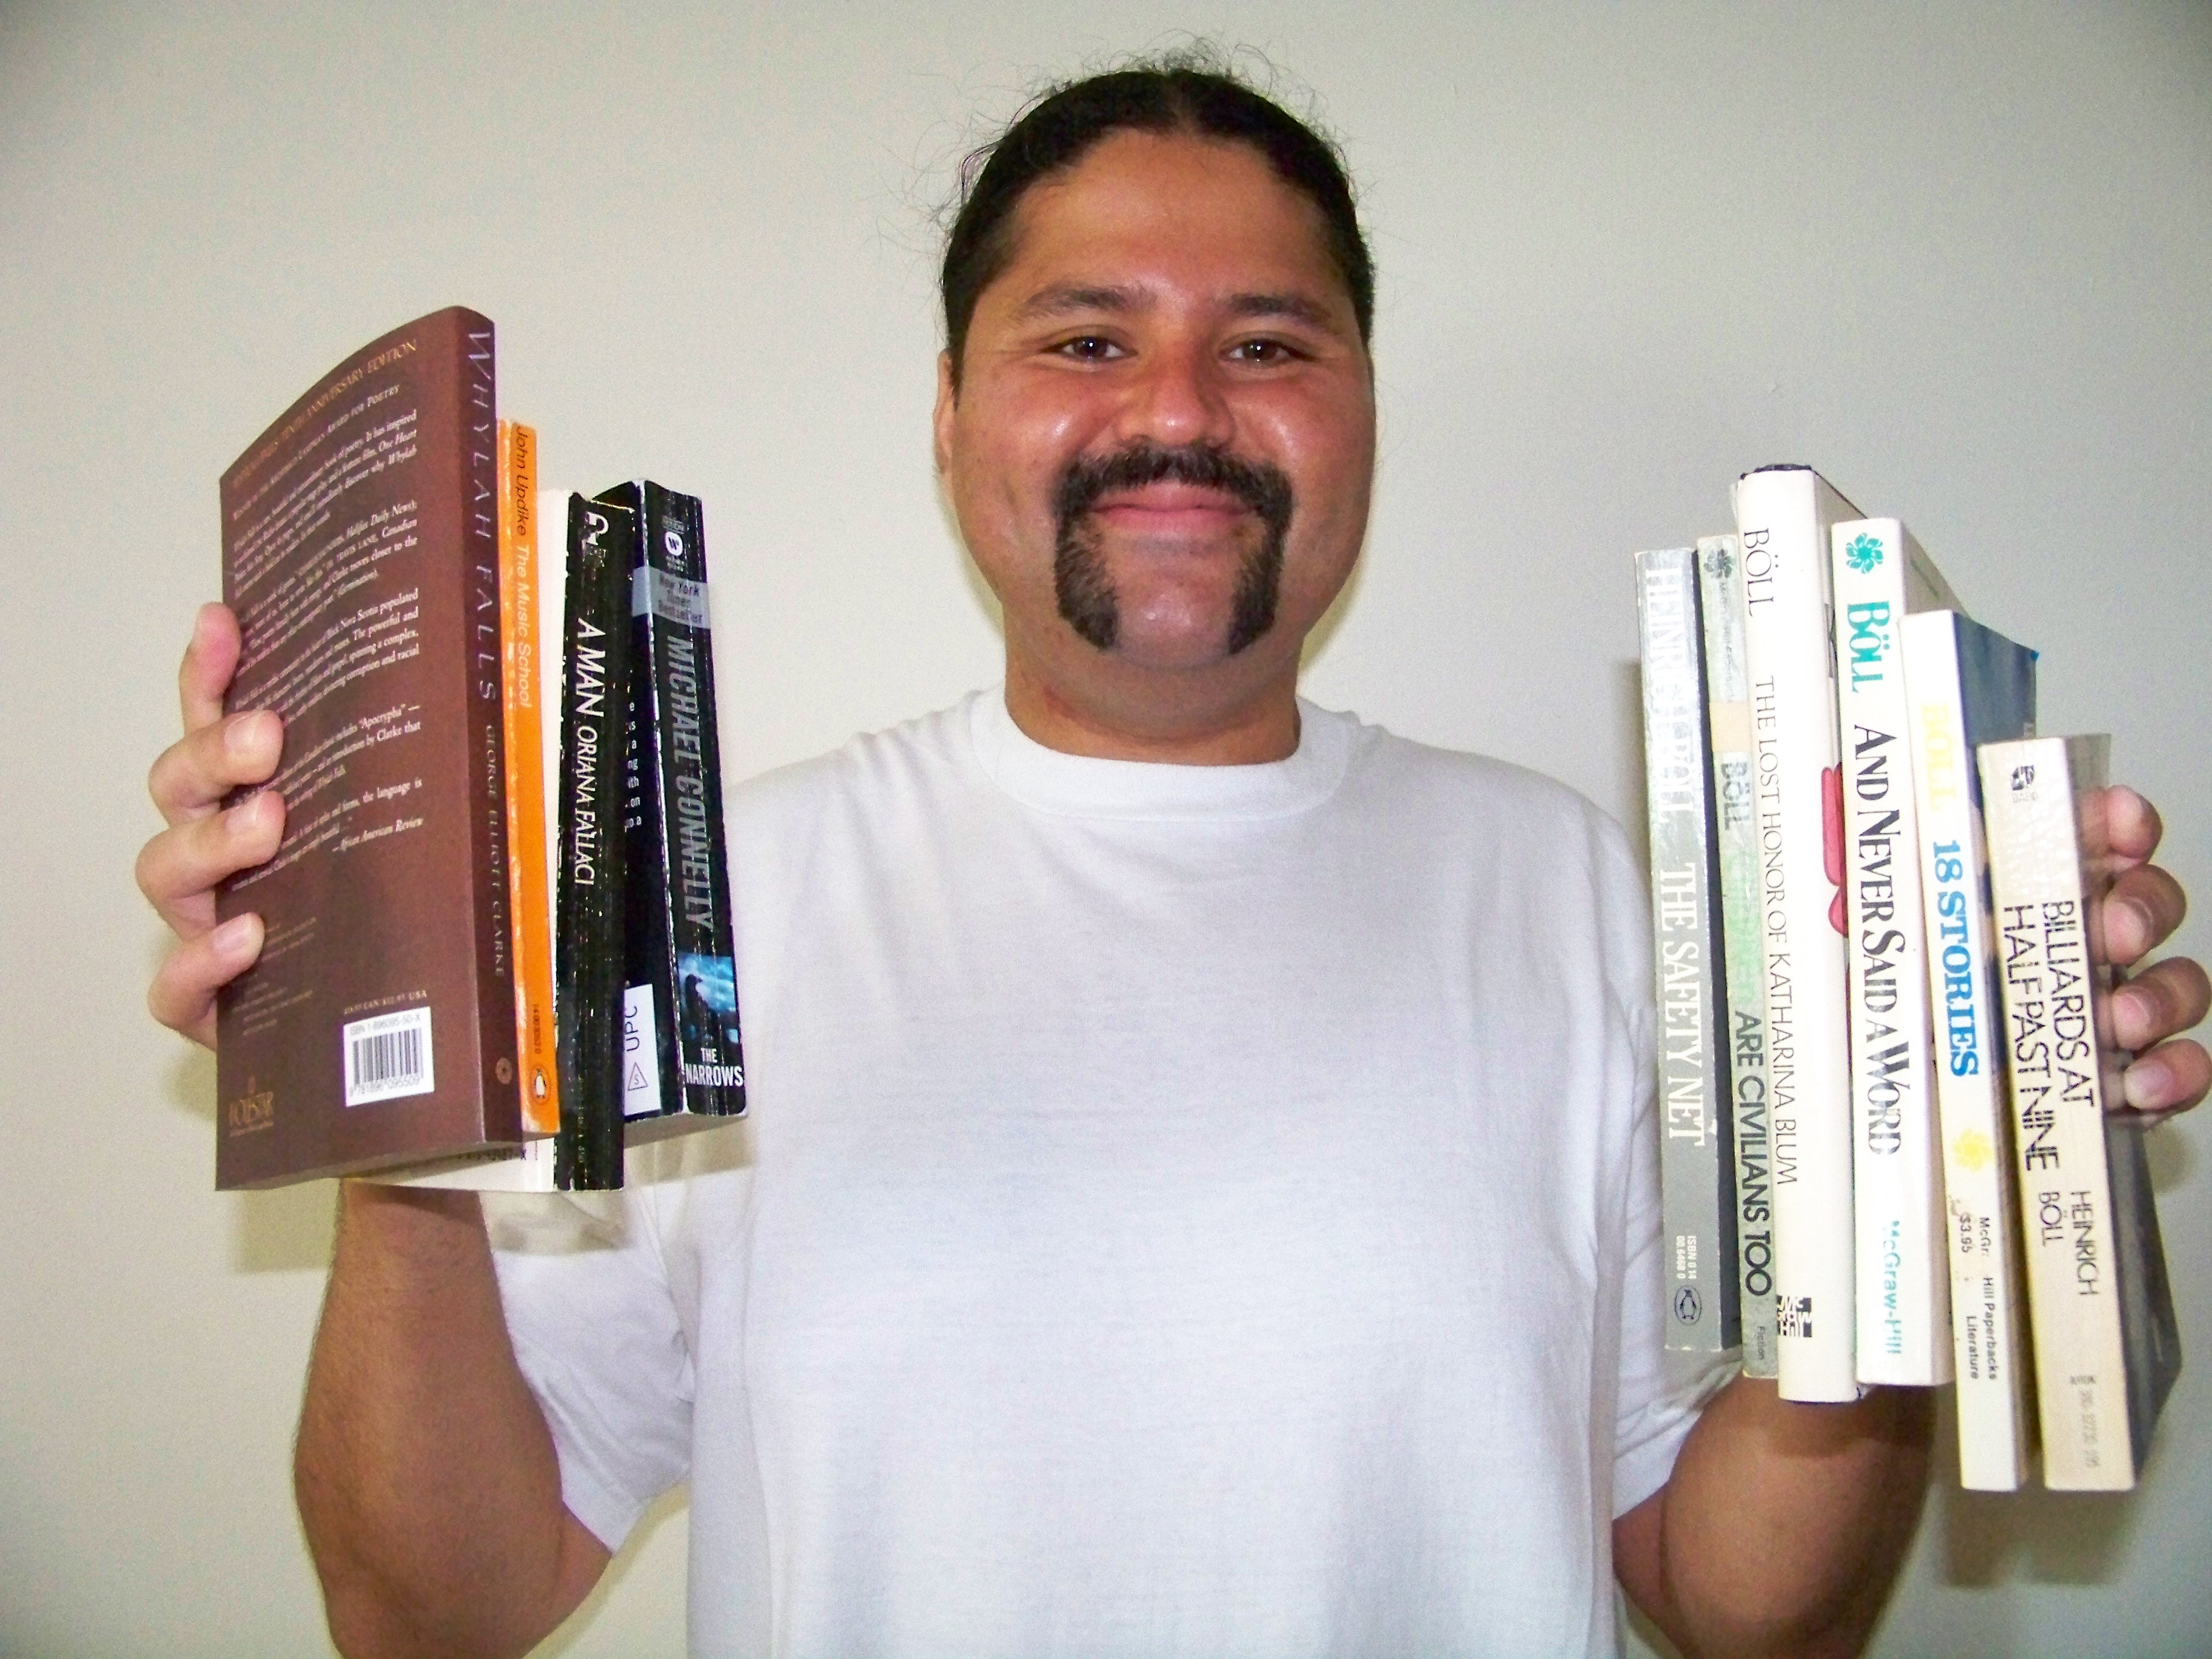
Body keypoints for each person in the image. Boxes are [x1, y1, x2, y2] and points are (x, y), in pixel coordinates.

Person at [136, 58, 2208, 1659]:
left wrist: (1938, 1146)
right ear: (950, 413)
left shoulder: (1575, 892)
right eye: (1085, 337)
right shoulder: (709, 914)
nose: (1183, 411)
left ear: (1363, 410)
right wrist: (392, 1101)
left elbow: (1746, 1608)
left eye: (1272, 342)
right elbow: (433, 1613)